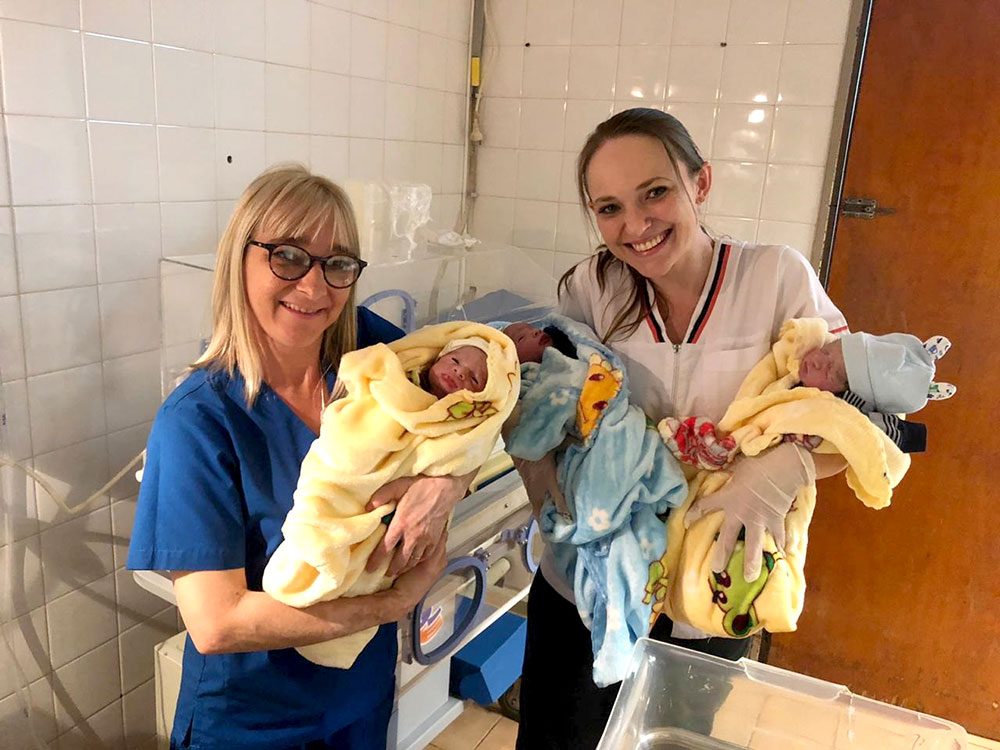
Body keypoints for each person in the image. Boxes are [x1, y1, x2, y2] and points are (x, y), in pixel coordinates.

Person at [514, 108, 850, 749]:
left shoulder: (775, 279)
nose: (635, 226)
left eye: (655, 192)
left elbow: (859, 419)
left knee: (668, 739)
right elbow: (545, 392)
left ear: (701, 183)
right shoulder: (593, 288)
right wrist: (533, 455)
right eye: (609, 208)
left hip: (709, 586)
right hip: (588, 583)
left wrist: (781, 471)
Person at [127, 165, 473, 750]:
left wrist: (449, 483)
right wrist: (393, 602)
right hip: (254, 723)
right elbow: (216, 623)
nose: (314, 288)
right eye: (287, 257)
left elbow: (481, 408)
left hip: (361, 697)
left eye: (337, 263)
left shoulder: (369, 353)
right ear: (239, 260)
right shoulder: (198, 421)